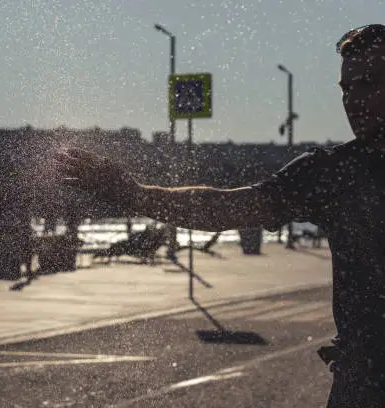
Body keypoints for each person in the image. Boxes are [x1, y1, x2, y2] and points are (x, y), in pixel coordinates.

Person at [54, 24, 385, 407]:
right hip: (363, 386)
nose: (353, 99)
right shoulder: (335, 173)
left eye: (369, 82)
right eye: (347, 88)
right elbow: (225, 208)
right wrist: (133, 194)